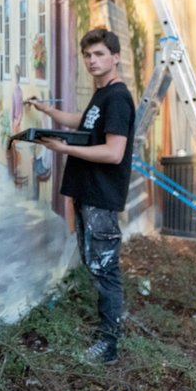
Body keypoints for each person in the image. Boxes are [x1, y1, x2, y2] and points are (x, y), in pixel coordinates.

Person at [26, 28, 135, 365]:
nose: (92, 60)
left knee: (104, 268)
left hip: (101, 197)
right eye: (88, 55)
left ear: (115, 57)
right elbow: (83, 123)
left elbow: (114, 152)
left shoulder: (117, 97)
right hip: (89, 195)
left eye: (99, 54)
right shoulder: (101, 96)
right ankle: (110, 326)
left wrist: (64, 147)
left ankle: (108, 345)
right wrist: (47, 111)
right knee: (96, 264)